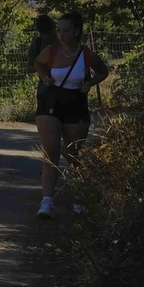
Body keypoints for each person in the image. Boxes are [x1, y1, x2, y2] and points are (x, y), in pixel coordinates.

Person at [33, 11, 110, 219]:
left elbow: (103, 71)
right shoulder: (51, 51)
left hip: (76, 103)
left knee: (73, 154)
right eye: (58, 30)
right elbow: (37, 63)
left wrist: (90, 83)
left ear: (76, 31)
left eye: (66, 30)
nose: (61, 34)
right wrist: (45, 78)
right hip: (51, 101)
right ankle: (46, 202)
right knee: (51, 152)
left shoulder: (86, 54)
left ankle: (78, 200)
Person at [28, 13, 58, 122]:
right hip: (45, 88)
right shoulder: (38, 43)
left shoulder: (62, 41)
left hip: (62, 88)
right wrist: (43, 70)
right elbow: (31, 65)